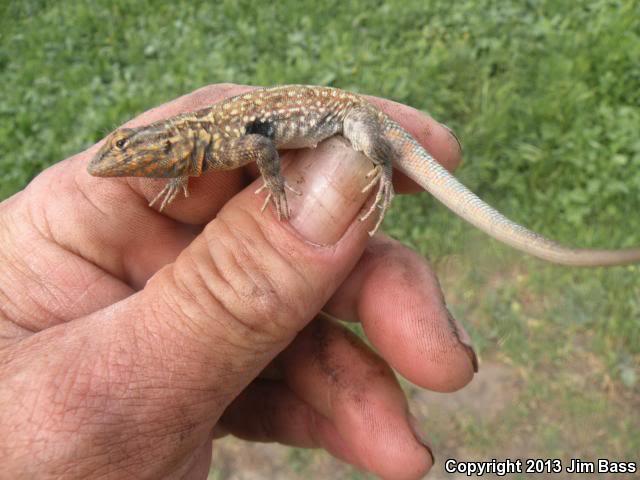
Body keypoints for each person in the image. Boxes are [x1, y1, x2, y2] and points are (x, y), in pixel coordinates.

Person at [0, 84, 476, 479]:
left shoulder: (218, 140)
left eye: (127, 148)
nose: (118, 160)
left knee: (370, 147)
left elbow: (260, 146)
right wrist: (178, 173)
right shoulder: (199, 145)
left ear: (166, 145)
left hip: (352, 118)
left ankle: (384, 170)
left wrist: (279, 184)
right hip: (307, 121)